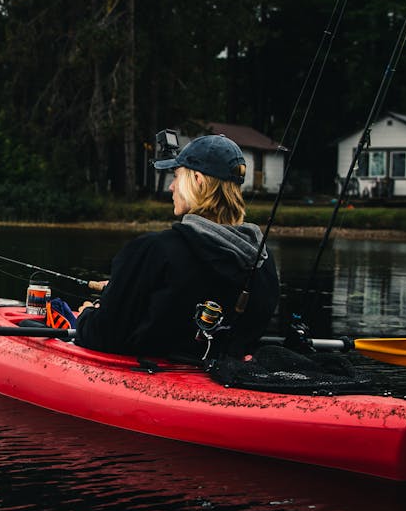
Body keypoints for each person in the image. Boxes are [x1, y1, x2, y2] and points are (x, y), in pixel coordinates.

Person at [74, 132, 280, 361]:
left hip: (154, 383)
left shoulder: (153, 250)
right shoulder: (262, 260)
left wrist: (87, 315)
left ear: (198, 181)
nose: (172, 186)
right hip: (224, 379)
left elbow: (102, 337)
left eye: (177, 176)